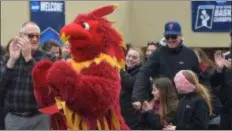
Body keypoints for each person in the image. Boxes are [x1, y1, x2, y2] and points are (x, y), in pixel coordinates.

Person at [132, 21, 203, 110]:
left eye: (173, 36)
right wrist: (137, 97)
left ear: (180, 36)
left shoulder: (190, 54)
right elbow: (143, 73)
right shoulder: (158, 54)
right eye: (167, 37)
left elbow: (199, 78)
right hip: (163, 103)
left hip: (185, 101)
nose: (170, 39)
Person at [0, 21, 55, 130]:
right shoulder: (10, 57)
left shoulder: (48, 57)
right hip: (15, 118)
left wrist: (28, 58)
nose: (35, 39)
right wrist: (11, 60)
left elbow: (44, 84)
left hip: (40, 117)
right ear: (21, 37)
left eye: (37, 36)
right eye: (30, 36)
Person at [120, 47, 144, 129]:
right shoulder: (124, 70)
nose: (130, 59)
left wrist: (120, 70)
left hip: (133, 118)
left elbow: (130, 83)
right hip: (119, 115)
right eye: (129, 56)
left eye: (134, 57)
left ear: (140, 61)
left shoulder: (142, 73)